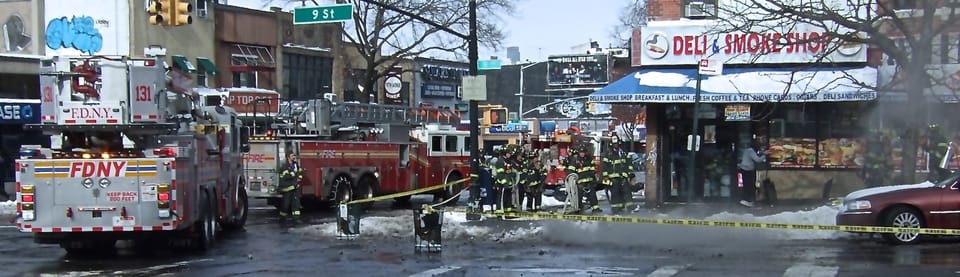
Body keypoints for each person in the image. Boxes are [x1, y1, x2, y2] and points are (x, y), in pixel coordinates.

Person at [602, 137, 635, 214]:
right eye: (614, 144)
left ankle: (630, 207)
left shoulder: (623, 153)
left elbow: (629, 163)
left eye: (617, 143)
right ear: (612, 145)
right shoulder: (608, 154)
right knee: (615, 193)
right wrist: (606, 177)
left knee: (627, 192)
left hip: (623, 177)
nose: (616, 145)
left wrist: (629, 173)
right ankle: (616, 208)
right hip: (613, 178)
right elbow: (605, 167)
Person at [567, 143, 600, 213]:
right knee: (578, 196)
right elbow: (571, 172)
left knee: (592, 195)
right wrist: (575, 181)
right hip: (580, 183)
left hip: (589, 181)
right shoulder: (575, 160)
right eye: (581, 152)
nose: (582, 154)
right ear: (579, 152)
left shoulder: (589, 159)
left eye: (583, 152)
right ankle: (577, 209)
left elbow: (593, 169)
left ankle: (595, 208)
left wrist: (593, 179)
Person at [738, 141, 767, 207]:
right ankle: (747, 200)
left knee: (747, 185)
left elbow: (757, 154)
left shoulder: (748, 150)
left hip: (745, 169)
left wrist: (762, 153)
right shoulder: (751, 151)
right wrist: (765, 155)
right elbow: (757, 160)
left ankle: (746, 200)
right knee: (748, 185)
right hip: (747, 170)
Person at [278, 152, 304, 223]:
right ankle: (282, 218)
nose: (294, 157)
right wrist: (295, 175)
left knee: (296, 204)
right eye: (292, 156)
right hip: (287, 189)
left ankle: (296, 219)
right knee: (285, 205)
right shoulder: (285, 166)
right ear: (288, 157)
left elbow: (300, 171)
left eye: (294, 155)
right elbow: (285, 176)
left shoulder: (295, 165)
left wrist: (299, 177)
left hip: (295, 188)